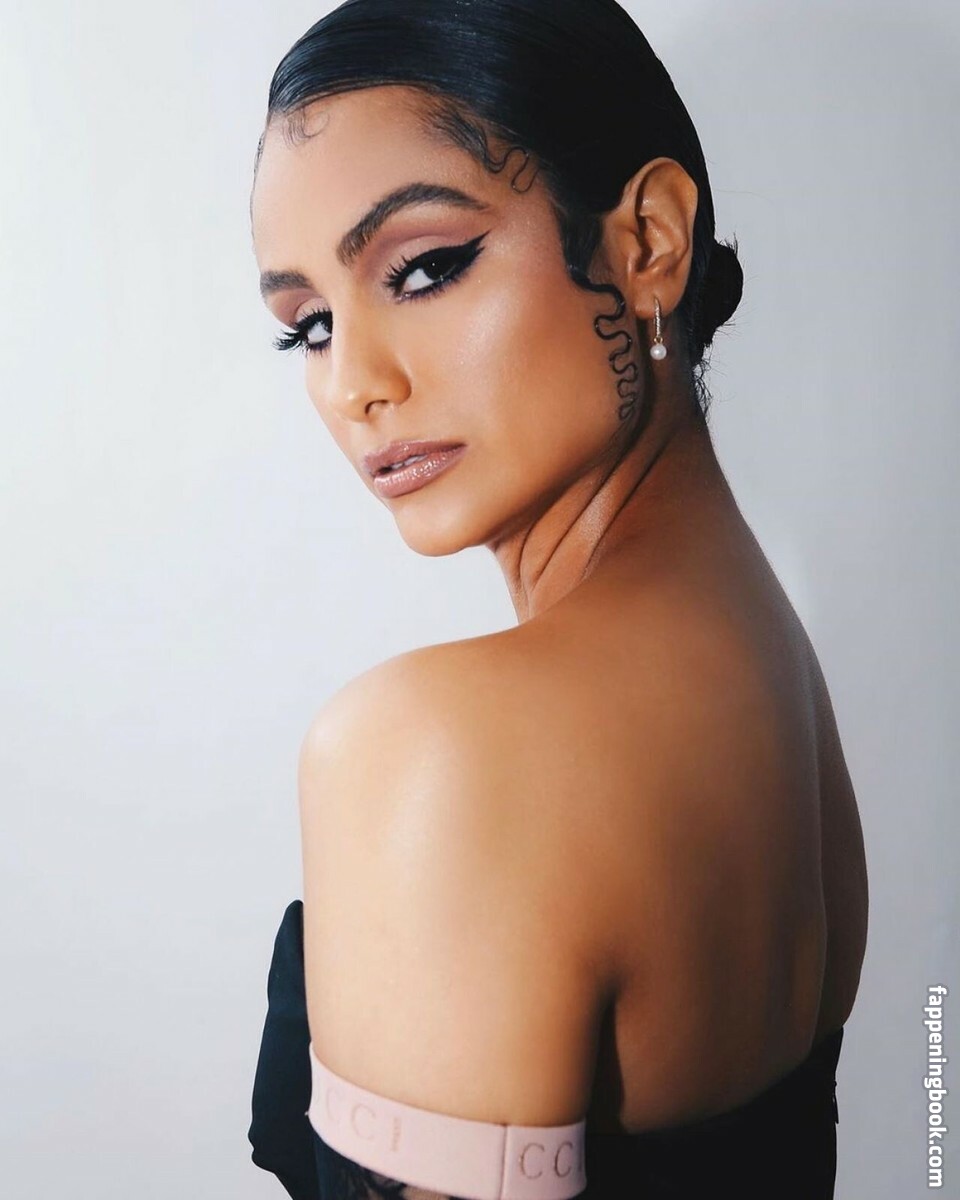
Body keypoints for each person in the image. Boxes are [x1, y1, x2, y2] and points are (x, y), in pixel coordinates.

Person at [246, 1, 869, 1196]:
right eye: (309, 324)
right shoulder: (771, 665)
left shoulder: (443, 745)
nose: (355, 383)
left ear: (648, 243)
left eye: (425, 268)